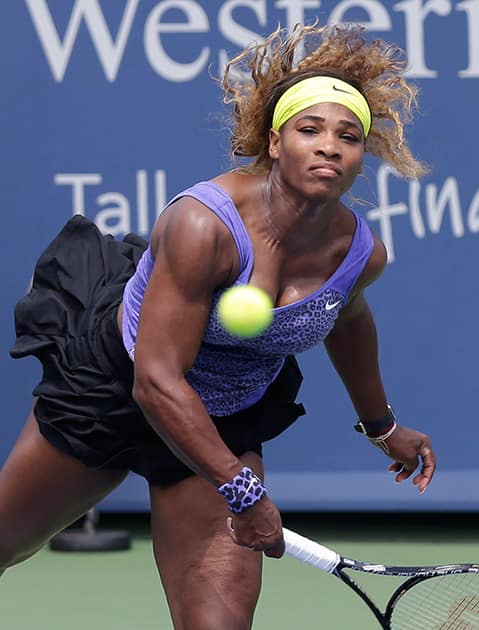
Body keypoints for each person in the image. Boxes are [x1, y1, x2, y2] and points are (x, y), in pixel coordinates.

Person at [1, 22, 435, 630]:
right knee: (5, 543)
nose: (330, 147)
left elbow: (347, 322)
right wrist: (243, 490)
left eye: (348, 136)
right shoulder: (202, 226)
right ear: (276, 142)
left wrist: (383, 425)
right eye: (311, 130)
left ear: (364, 155)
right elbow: (155, 381)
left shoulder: (361, 254)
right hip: (115, 391)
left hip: (223, 418)